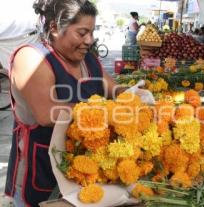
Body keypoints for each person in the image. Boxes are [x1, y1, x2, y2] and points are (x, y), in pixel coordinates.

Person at [4, 1, 154, 206]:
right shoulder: (31, 58)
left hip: (83, 174)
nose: (89, 40)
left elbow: (113, 88)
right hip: (40, 172)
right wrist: (107, 112)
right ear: (55, 28)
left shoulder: (88, 60)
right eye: (82, 33)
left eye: (92, 32)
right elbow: (47, 114)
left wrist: (133, 96)